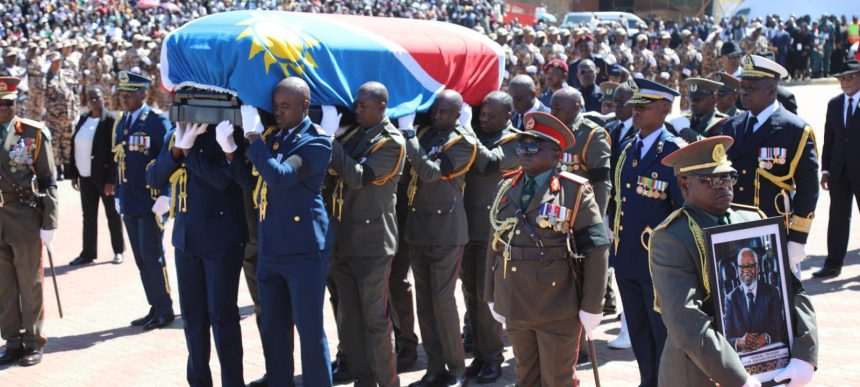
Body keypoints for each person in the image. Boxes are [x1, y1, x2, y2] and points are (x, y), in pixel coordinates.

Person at [652, 135, 818, 387]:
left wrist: (805, 354)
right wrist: (737, 377)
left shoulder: (752, 220)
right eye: (712, 180)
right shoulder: (672, 237)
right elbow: (685, 319)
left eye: (728, 177)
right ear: (684, 185)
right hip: (701, 373)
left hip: (771, 366)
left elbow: (792, 288)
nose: (724, 185)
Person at [484, 111, 609, 387]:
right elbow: (495, 244)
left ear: (556, 155)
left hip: (557, 304)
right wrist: (492, 293)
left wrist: (592, 306)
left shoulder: (575, 191)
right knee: (525, 377)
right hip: (515, 299)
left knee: (557, 380)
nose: (525, 152)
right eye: (521, 146)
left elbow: (597, 249)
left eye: (533, 146)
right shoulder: (506, 188)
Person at [239, 77, 334, 387]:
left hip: (303, 249)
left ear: (304, 107)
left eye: (285, 107)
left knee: (308, 328)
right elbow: (257, 176)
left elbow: (280, 176)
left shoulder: (316, 141)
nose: (278, 112)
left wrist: (254, 139)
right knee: (274, 327)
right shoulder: (276, 139)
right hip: (272, 245)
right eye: (276, 106)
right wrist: (231, 152)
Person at [145, 110, 249, 385]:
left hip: (222, 240)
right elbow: (154, 178)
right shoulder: (177, 136)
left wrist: (188, 152)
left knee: (222, 316)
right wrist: (177, 150)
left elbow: (221, 181)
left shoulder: (226, 132)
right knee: (193, 319)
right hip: (186, 240)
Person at [609, 77, 686, 387]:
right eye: (635, 106)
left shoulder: (674, 152)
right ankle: (648, 380)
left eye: (644, 106)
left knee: (661, 332)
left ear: (665, 109)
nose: (636, 112)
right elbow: (619, 201)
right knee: (639, 330)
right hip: (627, 257)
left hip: (658, 262)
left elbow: (683, 213)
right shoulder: (629, 148)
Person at [327, 82, 405, 387]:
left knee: (375, 321)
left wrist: (328, 140)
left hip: (373, 244)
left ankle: (387, 383)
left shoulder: (391, 142)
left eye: (363, 106)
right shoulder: (356, 134)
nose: (356, 110)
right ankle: (363, 380)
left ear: (382, 107)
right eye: (357, 104)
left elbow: (359, 178)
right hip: (343, 238)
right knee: (349, 320)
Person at [719, 55, 819, 277]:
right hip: (733, 229)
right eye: (742, 87)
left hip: (773, 232)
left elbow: (808, 189)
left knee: (778, 304)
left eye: (752, 87)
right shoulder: (731, 127)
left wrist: (798, 238)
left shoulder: (795, 130)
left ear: (772, 88)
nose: (744, 92)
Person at [402, 89, 476, 387]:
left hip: (446, 230)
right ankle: (435, 367)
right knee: (425, 302)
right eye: (435, 111)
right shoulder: (429, 133)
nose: (437, 116)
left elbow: (431, 172)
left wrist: (408, 136)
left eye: (444, 112)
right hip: (419, 227)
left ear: (458, 114)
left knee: (443, 301)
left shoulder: (464, 143)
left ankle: (458, 369)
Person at [461, 91, 519, 384]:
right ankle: (481, 356)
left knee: (488, 299)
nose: (483, 119)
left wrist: (465, 129)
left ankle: (494, 357)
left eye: (490, 115)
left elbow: (487, 163)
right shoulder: (479, 136)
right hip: (467, 227)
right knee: (470, 295)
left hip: (492, 232)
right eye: (481, 114)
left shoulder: (516, 142)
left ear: (508, 116)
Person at [0, 76, 58, 367]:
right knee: (4, 285)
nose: (2, 108)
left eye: (7, 103)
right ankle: (11, 341)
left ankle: (33, 341)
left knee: (29, 283)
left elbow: (48, 179)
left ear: (16, 103)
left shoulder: (32, 134)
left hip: (24, 216)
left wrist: (50, 222)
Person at [114, 70, 175, 331]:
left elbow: (171, 159)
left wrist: (167, 195)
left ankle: (165, 309)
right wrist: (118, 193)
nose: (124, 99)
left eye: (129, 95)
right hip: (130, 200)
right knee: (140, 259)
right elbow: (119, 161)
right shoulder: (123, 121)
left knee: (153, 257)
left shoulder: (156, 122)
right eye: (122, 95)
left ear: (144, 94)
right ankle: (154, 305)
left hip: (151, 202)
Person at [67, 85, 124, 266]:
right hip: (85, 176)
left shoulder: (110, 120)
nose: (94, 101)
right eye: (91, 98)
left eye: (97, 97)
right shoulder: (83, 118)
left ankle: (118, 251)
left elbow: (115, 153)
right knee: (88, 216)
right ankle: (88, 254)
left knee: (112, 215)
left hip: (104, 178)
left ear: (103, 98)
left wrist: (111, 180)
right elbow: (74, 146)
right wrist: (74, 174)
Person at [814, 60, 860, 278]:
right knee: (838, 219)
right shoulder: (834, 104)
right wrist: (825, 169)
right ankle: (833, 263)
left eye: (849, 77)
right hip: (839, 171)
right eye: (842, 78)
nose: (845, 82)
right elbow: (829, 139)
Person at [724, 248, 786, 352]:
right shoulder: (730, 299)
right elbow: (726, 336)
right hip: (743, 358)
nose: (746, 271)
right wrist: (739, 341)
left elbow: (780, 327)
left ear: (758, 268)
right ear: (737, 270)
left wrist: (766, 338)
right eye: (742, 267)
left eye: (750, 266)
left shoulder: (772, 292)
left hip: (768, 352)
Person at [680, 77, 729, 141]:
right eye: (691, 99)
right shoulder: (685, 119)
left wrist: (686, 131)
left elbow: (714, 146)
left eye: (698, 100)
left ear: (714, 99)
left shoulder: (723, 122)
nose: (693, 103)